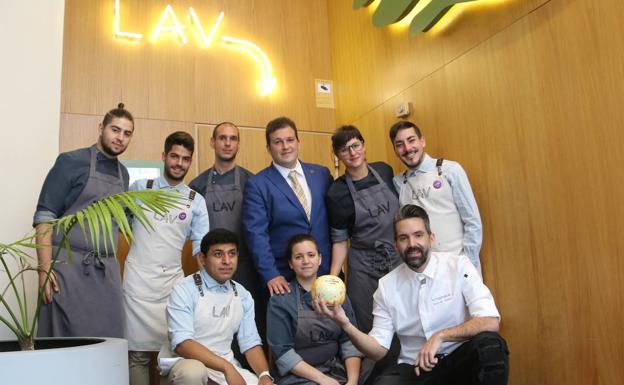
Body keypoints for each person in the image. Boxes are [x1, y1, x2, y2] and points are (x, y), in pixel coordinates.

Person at [314, 205, 509, 385]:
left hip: (459, 359)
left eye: (418, 235)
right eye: (403, 238)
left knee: (490, 345)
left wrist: (441, 336)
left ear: (431, 238)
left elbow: (490, 321)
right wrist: (345, 324)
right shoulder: (386, 286)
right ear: (396, 245)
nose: (412, 244)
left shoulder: (458, 266)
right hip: (415, 369)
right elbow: (378, 349)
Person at [34, 103, 134, 338]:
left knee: (109, 340)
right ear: (101, 128)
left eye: (127, 133)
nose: (120, 138)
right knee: (63, 340)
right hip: (68, 270)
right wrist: (44, 270)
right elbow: (45, 218)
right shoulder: (70, 162)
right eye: (115, 130)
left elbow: (120, 224)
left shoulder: (124, 175)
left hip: (106, 272)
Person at [124, 131, 210, 385]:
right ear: (164, 156)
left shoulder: (196, 201)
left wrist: (203, 289)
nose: (179, 163)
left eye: (185, 158)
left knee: (171, 354)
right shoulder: (141, 189)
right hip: (137, 282)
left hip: (171, 285)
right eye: (174, 156)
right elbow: (119, 224)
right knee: (137, 355)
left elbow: (200, 248)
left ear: (190, 161)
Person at [159, 229, 274, 385]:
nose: (227, 261)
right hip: (186, 364)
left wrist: (264, 376)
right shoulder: (184, 289)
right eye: (218, 254)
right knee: (193, 372)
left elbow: (250, 343)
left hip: (225, 367)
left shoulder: (242, 295)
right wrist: (227, 368)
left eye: (232, 254)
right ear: (203, 258)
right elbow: (182, 344)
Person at [243, 116, 333, 296]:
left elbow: (336, 222)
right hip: (284, 281)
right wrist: (271, 274)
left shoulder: (322, 174)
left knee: (332, 323)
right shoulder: (258, 184)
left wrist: (336, 270)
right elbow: (256, 234)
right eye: (278, 142)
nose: (286, 147)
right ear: (269, 148)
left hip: (326, 274)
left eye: (290, 140)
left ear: (298, 142)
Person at [326, 125, 401, 333]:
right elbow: (340, 240)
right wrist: (333, 277)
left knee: (404, 317)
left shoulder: (385, 171)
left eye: (355, 145)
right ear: (338, 155)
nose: (352, 153)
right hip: (364, 267)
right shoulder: (337, 192)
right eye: (344, 149)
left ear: (364, 145)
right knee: (369, 324)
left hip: (397, 259)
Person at [189, 122, 260, 324]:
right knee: (212, 324)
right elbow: (193, 233)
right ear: (213, 142)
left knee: (247, 326)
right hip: (209, 270)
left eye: (233, 139)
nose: (227, 143)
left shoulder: (251, 182)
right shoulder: (198, 185)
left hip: (246, 268)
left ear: (238, 144)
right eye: (222, 138)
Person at [267, 234, 362, 385]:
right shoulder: (280, 300)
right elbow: (283, 354)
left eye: (311, 255)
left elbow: (349, 343)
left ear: (320, 259)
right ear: (290, 264)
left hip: (335, 370)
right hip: (298, 376)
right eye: (298, 257)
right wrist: (323, 380)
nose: (306, 261)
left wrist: (352, 382)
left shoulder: (338, 292)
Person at [390, 121, 483, 269]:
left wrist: (467, 265)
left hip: (459, 265)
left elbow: (472, 221)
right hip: (424, 270)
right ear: (395, 150)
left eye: (411, 140)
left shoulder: (450, 170)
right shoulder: (399, 182)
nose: (407, 148)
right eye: (400, 144)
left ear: (422, 141)